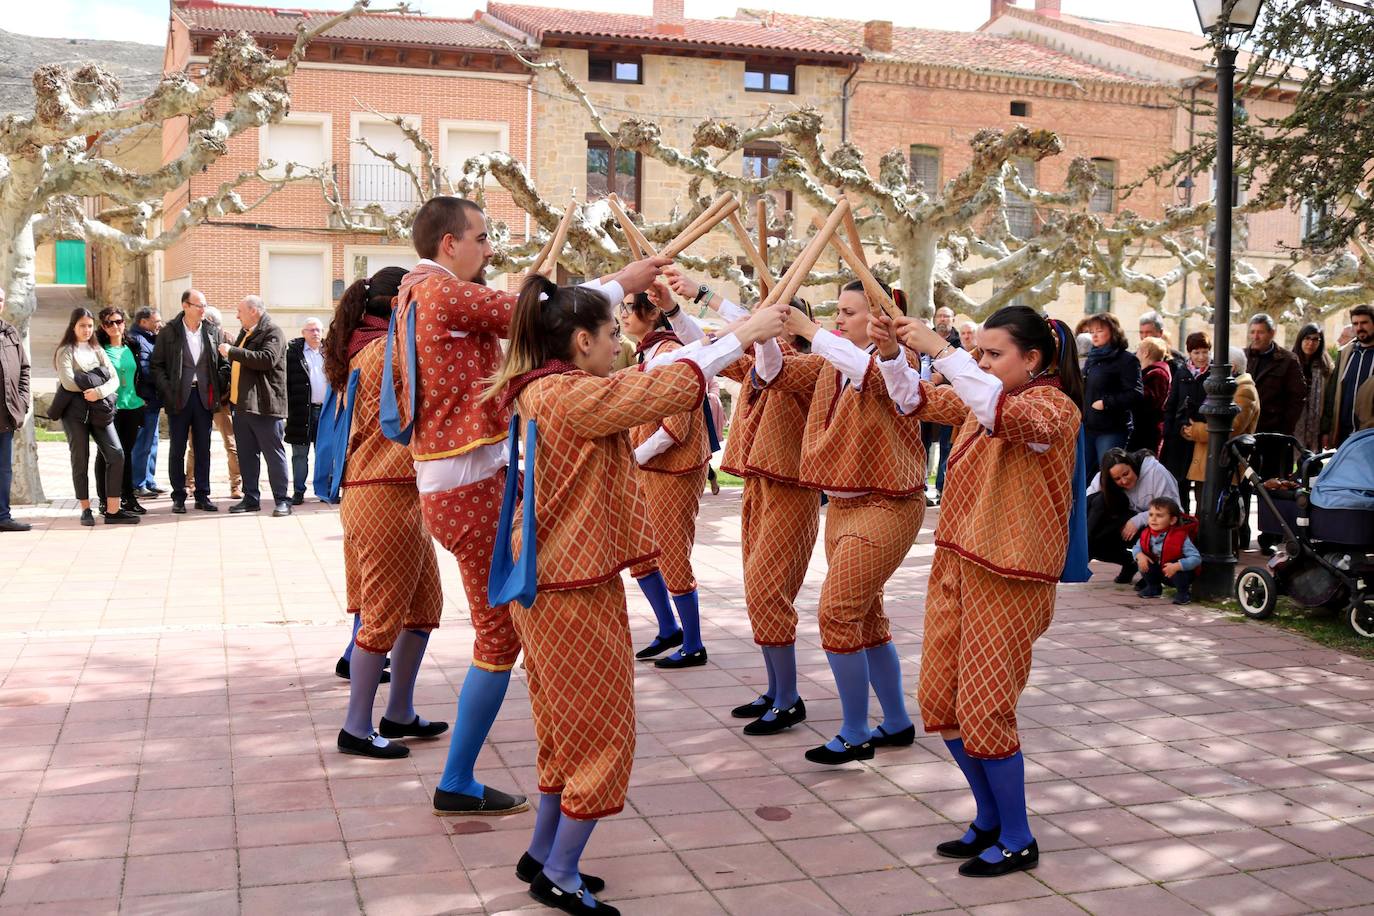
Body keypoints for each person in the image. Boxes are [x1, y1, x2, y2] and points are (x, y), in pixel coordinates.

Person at [484, 275, 789, 916]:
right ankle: (560, 869)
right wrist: (743, 331)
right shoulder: (569, 395)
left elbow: (653, 381)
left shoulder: (543, 389)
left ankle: (544, 853)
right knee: (602, 734)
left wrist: (726, 328)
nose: (620, 342)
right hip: (569, 586)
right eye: (612, 331)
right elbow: (658, 387)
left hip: (549, 583)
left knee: (564, 729)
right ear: (582, 340)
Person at [385, 195, 669, 818]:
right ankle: (463, 779)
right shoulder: (436, 293)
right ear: (447, 245)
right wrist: (623, 283)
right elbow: (535, 313)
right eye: (481, 238)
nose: (489, 250)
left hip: (459, 482)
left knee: (507, 632)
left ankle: (491, 776)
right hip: (468, 485)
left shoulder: (416, 293)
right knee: (505, 634)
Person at [873, 304, 1085, 879]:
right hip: (957, 563)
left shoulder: (1052, 408)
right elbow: (913, 399)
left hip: (1010, 577)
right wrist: (895, 354)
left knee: (986, 709)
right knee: (942, 702)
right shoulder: (983, 394)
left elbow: (1000, 414)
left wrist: (944, 352)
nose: (983, 364)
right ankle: (990, 818)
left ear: (1033, 359)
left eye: (995, 354)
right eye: (981, 353)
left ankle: (1018, 836)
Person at [755, 280, 926, 765]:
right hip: (846, 505)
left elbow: (869, 371)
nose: (838, 319)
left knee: (837, 612)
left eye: (848, 312)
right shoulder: (833, 360)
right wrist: (766, 329)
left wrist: (805, 325)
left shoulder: (898, 364)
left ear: (879, 319)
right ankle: (895, 721)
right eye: (837, 311)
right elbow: (775, 372)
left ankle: (855, 731)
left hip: (889, 504)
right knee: (866, 616)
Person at [660, 268, 821, 735]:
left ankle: (789, 698)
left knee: (771, 593)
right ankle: (776, 689)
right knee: (758, 593)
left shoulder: (810, 368)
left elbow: (772, 362)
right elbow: (712, 351)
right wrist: (677, 307)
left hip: (791, 491)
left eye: (774, 318)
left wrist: (711, 297)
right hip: (759, 486)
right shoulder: (758, 362)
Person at [322, 268, 446, 759]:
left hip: (387, 492)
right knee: (382, 617)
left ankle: (399, 712)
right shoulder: (386, 353)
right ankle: (356, 725)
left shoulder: (367, 348)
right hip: (383, 492)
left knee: (422, 609)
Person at [620, 290, 713, 669]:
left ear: (652, 311)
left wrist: (632, 457)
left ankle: (693, 642)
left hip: (674, 469)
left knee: (672, 554)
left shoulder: (672, 352)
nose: (622, 314)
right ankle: (668, 628)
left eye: (628, 307)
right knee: (639, 552)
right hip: (649, 466)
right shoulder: (647, 352)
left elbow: (675, 428)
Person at [52, 308, 139, 526]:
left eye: (90, 326)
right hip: (75, 413)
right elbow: (68, 382)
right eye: (82, 325)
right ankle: (85, 509)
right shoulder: (66, 350)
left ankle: (112, 510)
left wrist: (97, 390)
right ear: (73, 326)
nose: (86, 329)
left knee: (116, 453)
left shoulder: (97, 348)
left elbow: (114, 380)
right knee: (80, 459)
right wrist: (98, 376)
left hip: (99, 408)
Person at [151, 289, 227, 513]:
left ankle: (203, 494)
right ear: (185, 306)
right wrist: (168, 390)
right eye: (199, 305)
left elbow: (223, 364)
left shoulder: (212, 331)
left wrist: (218, 384)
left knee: (203, 448)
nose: (203, 309)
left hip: (204, 397)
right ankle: (178, 496)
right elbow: (157, 365)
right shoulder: (169, 332)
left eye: (204, 305)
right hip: (179, 398)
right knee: (177, 449)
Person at [219, 295, 291, 517]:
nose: (237, 315)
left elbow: (266, 359)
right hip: (241, 405)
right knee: (247, 454)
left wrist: (232, 351)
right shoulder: (246, 332)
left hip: (265, 406)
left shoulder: (273, 332)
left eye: (240, 311)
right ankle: (251, 498)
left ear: (253, 311)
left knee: (273, 453)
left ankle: (282, 500)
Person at [1086, 447, 1179, 585]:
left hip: (1157, 526)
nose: (1123, 481)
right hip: (1126, 526)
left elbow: (1173, 508)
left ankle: (1153, 573)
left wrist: (1137, 520)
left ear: (1132, 465)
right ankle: (1129, 562)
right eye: (1117, 479)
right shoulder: (1103, 479)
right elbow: (1088, 501)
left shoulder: (1155, 471)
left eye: (1126, 474)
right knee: (1096, 519)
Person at [185, 305, 242, 502]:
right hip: (199, 399)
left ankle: (236, 485)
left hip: (223, 400)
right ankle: (190, 484)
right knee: (195, 444)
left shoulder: (229, 339)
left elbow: (236, 370)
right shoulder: (194, 338)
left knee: (231, 443)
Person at [94, 307, 147, 515]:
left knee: (126, 453)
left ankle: (128, 497)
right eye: (109, 323)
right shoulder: (99, 349)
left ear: (124, 322)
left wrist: (142, 397)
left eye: (118, 321)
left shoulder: (132, 345)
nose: (115, 326)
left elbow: (140, 373)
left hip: (132, 407)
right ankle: (104, 499)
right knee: (106, 455)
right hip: (110, 409)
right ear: (103, 327)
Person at [1183, 346, 1259, 485]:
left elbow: (1232, 427)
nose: (1211, 369)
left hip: (1224, 464)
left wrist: (1196, 430)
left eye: (1215, 365)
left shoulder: (1244, 390)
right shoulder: (1223, 387)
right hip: (1208, 462)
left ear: (1232, 367)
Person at [1081, 312, 1141, 464]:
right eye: (1091, 332)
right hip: (1087, 427)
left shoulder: (1126, 360)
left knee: (1108, 475)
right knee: (1081, 477)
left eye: (1099, 331)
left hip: (1111, 429)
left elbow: (1135, 394)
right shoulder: (1092, 358)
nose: (1094, 336)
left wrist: (1106, 403)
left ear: (1113, 331)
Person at [1167, 331, 1211, 512]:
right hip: (1181, 434)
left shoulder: (1214, 373)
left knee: (1202, 484)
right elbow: (1172, 402)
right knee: (1180, 482)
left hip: (1202, 434)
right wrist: (1170, 431)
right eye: (1196, 352)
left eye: (1204, 352)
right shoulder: (1182, 373)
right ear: (1190, 354)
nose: (1201, 357)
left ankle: (1202, 524)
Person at [286, 316, 327, 504]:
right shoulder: (293, 354)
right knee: (299, 455)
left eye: (318, 329)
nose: (315, 333)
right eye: (311, 330)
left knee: (325, 453)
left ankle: (324, 490)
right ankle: (298, 491)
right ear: (303, 333)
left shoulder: (329, 352)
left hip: (326, 412)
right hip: (301, 411)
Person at [0, 288, 31, 532]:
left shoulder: (9, 332)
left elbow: (24, 369)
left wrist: (22, 402)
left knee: (4, 470)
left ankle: (2, 516)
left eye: (0, 299)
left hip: (6, 415)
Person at [1246, 314, 1307, 437]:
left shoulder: (1288, 360)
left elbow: (1297, 397)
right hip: (1245, 428)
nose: (1255, 337)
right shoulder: (1242, 357)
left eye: (1260, 332)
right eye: (1252, 332)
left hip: (1274, 431)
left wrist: (1284, 429)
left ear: (1272, 333)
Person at [1323, 304, 1374, 448]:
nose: (1359, 327)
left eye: (1364, 323)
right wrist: (1327, 430)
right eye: (1355, 323)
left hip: (1370, 435)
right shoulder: (1345, 354)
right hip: (1345, 437)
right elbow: (1332, 393)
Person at [1133, 497, 1199, 604]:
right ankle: (1153, 587)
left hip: (1176, 573)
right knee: (1144, 560)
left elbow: (1196, 558)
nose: (1153, 519)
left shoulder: (1180, 537)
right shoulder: (1147, 533)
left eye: (1159, 515)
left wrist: (1177, 566)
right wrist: (1139, 555)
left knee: (1177, 569)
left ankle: (1183, 593)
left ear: (1172, 520)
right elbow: (1137, 547)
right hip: (1159, 571)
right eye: (1151, 515)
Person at [128, 307, 165, 499]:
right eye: (156, 321)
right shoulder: (138, 340)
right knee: (143, 443)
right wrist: (164, 379)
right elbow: (145, 371)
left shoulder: (150, 338)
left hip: (153, 399)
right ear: (143, 322)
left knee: (153, 443)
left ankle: (149, 480)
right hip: (145, 400)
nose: (159, 324)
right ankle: (138, 483)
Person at [1292, 322, 1334, 452]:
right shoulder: (1290, 362)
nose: (1311, 343)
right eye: (1307, 338)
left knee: (1312, 465)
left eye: (1315, 339)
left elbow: (1329, 401)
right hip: (1292, 425)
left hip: (1317, 427)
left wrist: (1326, 430)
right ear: (1300, 339)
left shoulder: (1326, 368)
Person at [1129, 337, 1171, 455]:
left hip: (1147, 429)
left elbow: (1149, 400)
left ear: (1145, 353)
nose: (1136, 353)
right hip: (1144, 428)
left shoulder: (1157, 373)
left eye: (1138, 350)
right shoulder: (1151, 372)